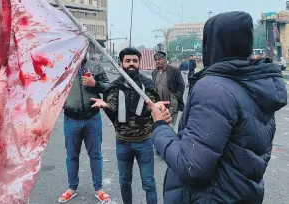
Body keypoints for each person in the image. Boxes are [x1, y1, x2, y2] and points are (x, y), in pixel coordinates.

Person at [150, 11, 287, 203]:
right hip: (242, 194)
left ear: (213, 43)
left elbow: (192, 166)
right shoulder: (256, 84)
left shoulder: (213, 88)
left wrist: (160, 128)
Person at [91, 48, 160, 204]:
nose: (131, 64)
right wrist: (106, 106)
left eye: (134, 61)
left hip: (144, 142)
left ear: (139, 63)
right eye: (127, 61)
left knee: (149, 184)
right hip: (123, 143)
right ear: (121, 63)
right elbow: (113, 105)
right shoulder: (115, 86)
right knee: (124, 182)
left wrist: (155, 107)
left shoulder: (146, 84)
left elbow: (150, 104)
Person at [58, 53, 111, 203]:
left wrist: (95, 84)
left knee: (95, 155)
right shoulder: (63, 67)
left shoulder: (94, 66)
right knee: (71, 155)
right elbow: (52, 87)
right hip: (71, 119)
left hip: (92, 118)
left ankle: (99, 189)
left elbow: (109, 86)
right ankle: (72, 188)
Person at [152, 51, 185, 132]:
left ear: (165, 59)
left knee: (170, 127)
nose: (157, 61)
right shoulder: (154, 72)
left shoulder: (174, 70)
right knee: (160, 126)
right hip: (160, 106)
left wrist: (176, 97)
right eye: (156, 60)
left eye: (159, 59)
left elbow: (181, 86)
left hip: (171, 105)